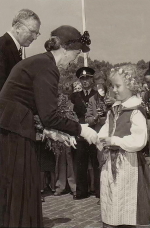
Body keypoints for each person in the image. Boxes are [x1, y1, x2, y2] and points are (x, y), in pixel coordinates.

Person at [0, 25, 97, 227]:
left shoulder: (39, 62)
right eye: (77, 53)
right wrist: (82, 129)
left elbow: (33, 107)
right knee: (22, 187)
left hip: (12, 127)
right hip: (15, 132)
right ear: (65, 48)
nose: (75, 59)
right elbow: (49, 115)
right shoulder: (47, 68)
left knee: (16, 188)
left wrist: (53, 132)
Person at [97, 64, 150, 228]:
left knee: (126, 200)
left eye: (117, 86)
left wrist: (115, 141)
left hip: (128, 162)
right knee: (112, 197)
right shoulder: (113, 109)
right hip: (112, 162)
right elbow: (106, 128)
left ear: (131, 85)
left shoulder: (135, 110)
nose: (113, 90)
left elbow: (139, 140)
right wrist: (100, 138)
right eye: (112, 86)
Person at [71, 66, 96, 200]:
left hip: (94, 132)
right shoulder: (75, 96)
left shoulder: (98, 95)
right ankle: (81, 191)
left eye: (88, 78)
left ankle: (98, 190)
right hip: (80, 132)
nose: (85, 81)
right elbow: (71, 114)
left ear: (92, 80)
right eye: (83, 79)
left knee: (96, 161)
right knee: (80, 163)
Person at [0, 9, 41, 90]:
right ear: (18, 28)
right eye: (32, 31)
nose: (35, 37)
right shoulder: (1, 47)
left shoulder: (13, 48)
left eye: (37, 33)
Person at [85, 83, 108, 202]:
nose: (100, 89)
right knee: (101, 164)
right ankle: (102, 194)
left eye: (102, 87)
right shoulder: (92, 100)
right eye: (98, 87)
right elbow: (87, 119)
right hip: (100, 137)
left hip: (112, 134)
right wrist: (95, 117)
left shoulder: (112, 97)